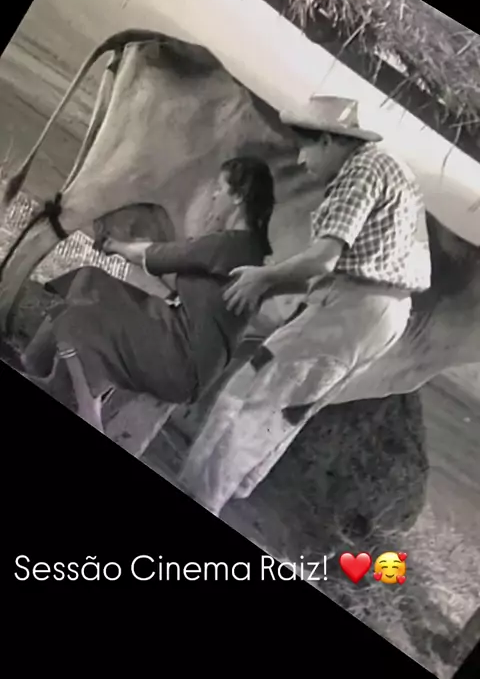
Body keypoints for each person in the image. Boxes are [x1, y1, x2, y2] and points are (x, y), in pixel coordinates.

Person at [179, 95, 432, 516]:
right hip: (379, 312)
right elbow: (341, 264)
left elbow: (323, 258)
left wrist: (263, 277)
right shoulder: (388, 168)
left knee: (258, 399)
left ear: (331, 140)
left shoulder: (361, 170)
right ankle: (214, 484)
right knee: (277, 399)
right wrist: (276, 287)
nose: (300, 159)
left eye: (306, 146)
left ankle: (203, 495)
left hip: (352, 309)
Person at [21, 156, 275, 431]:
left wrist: (115, 245)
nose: (214, 195)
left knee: (84, 314)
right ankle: (36, 366)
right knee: (89, 281)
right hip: (177, 338)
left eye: (220, 189)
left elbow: (157, 255)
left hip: (181, 358)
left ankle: (72, 398)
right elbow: (173, 267)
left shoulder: (231, 245)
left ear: (238, 196)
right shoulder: (246, 249)